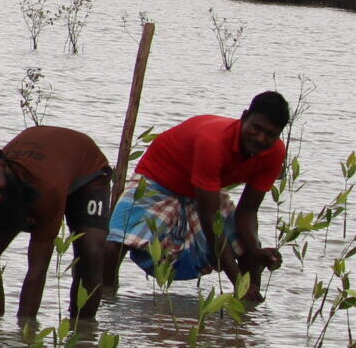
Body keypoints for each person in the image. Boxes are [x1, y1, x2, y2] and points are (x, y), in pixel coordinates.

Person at [105, 91, 290, 304]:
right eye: (256, 128)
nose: (260, 138)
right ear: (244, 116)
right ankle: (105, 304)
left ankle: (249, 315)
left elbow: (248, 211)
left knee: (248, 250)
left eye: (270, 134)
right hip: (158, 181)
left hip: (202, 193)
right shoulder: (212, 142)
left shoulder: (275, 153)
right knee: (114, 246)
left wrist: (254, 251)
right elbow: (210, 220)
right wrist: (238, 283)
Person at [0, 127, 113, 324]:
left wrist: (25, 333)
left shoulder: (46, 189)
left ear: (3, 165)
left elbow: (37, 271)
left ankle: (82, 332)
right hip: (40, 174)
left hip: (87, 173)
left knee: (91, 252)